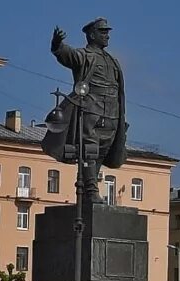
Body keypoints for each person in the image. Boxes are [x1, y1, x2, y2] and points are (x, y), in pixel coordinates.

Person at [46, 18, 128, 205]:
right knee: (89, 150)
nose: (107, 35)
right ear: (92, 35)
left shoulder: (112, 61)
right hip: (91, 110)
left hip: (113, 113)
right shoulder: (85, 55)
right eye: (103, 32)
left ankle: (86, 187)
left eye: (107, 32)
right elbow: (67, 55)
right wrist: (57, 44)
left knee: (103, 150)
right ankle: (90, 190)